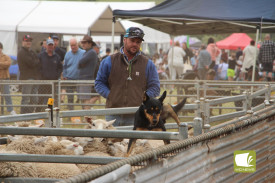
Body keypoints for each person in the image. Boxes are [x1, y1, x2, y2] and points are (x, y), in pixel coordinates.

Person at [95, 27, 160, 126]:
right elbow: (99, 83)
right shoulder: (109, 61)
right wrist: (111, 95)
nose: (135, 44)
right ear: (124, 40)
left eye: (138, 42)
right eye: (132, 40)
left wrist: (143, 99)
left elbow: (155, 87)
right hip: (113, 113)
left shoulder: (148, 64)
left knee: (133, 141)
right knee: (112, 140)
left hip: (136, 114)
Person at [37, 38, 63, 112]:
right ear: (46, 46)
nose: (50, 47)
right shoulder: (41, 56)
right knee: (41, 98)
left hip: (53, 83)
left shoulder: (57, 57)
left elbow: (60, 68)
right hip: (43, 82)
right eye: (49, 45)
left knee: (50, 99)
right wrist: (41, 76)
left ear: (53, 46)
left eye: (52, 45)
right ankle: (38, 113)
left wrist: (56, 76)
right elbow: (37, 67)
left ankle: (49, 111)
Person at [17, 35, 40, 114]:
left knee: (35, 99)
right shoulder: (21, 52)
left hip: (35, 78)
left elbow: (37, 61)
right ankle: (23, 116)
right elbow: (32, 63)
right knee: (26, 99)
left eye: (30, 41)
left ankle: (29, 114)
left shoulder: (31, 51)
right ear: (23, 42)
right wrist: (35, 61)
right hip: (27, 78)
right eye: (26, 41)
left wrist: (35, 61)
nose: (28, 42)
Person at [63, 38, 85, 110]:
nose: (73, 47)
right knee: (70, 97)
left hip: (80, 79)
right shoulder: (67, 54)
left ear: (77, 44)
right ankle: (70, 113)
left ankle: (85, 113)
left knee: (82, 98)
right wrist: (65, 76)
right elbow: (65, 66)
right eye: (71, 45)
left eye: (74, 45)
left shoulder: (83, 53)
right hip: (69, 79)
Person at [78, 35, 98, 110]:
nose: (83, 44)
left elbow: (80, 62)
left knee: (86, 100)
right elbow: (80, 64)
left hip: (86, 79)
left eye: (85, 43)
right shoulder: (87, 52)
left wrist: (81, 64)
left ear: (90, 43)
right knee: (84, 100)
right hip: (84, 79)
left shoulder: (91, 52)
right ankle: (86, 116)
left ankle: (86, 117)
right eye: (82, 42)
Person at [0, 42, 16, 115]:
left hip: (5, 78)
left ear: (1, 48)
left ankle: (10, 110)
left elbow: (7, 65)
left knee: (7, 94)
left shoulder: (6, 57)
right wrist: (2, 65)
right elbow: (4, 65)